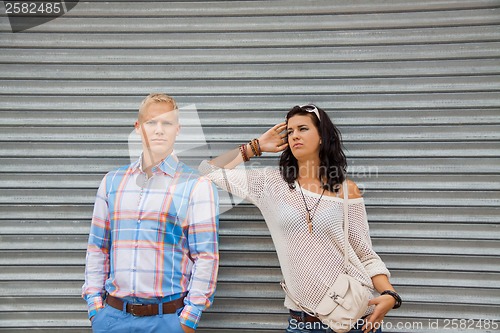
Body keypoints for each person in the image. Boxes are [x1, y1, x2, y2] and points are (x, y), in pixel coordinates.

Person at [199, 105, 401, 333]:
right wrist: (256, 147)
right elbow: (207, 170)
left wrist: (390, 295)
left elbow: (365, 255)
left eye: (302, 128)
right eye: (290, 131)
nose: (295, 135)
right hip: (302, 322)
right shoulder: (269, 184)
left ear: (323, 137)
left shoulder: (346, 190)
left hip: (355, 318)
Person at [82, 93, 219, 333]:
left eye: (167, 123)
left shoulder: (196, 185)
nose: (159, 130)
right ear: (138, 128)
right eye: (151, 122)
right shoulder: (111, 182)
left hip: (167, 320)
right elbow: (98, 248)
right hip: (112, 319)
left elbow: (206, 256)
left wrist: (188, 320)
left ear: (178, 129)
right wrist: (96, 309)